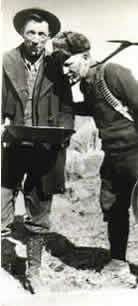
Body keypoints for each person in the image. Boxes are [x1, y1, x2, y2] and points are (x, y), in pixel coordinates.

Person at [52, 31, 138, 286]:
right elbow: (95, 108)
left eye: (68, 63)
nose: (65, 71)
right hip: (113, 155)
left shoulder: (113, 73)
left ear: (84, 57)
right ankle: (118, 262)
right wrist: (68, 104)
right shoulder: (87, 84)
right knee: (113, 207)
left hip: (137, 152)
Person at [1, 8, 74, 293]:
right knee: (2, 204)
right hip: (12, 145)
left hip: (46, 148)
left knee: (39, 211)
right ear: (22, 33)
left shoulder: (58, 64)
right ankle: (5, 269)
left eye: (42, 34)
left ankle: (34, 272)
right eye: (31, 32)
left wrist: (63, 135)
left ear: (49, 37)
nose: (36, 39)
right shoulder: (7, 61)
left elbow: (67, 106)